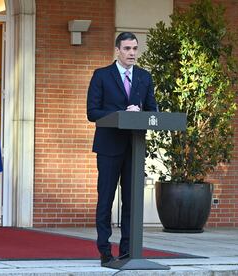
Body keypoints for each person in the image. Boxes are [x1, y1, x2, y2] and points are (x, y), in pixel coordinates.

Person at [86, 32, 158, 266]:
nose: (132, 53)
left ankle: (127, 250)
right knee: (105, 199)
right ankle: (105, 252)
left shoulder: (144, 78)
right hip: (108, 147)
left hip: (134, 148)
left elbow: (153, 111)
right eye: (127, 49)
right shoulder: (101, 76)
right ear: (117, 50)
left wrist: (141, 115)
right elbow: (92, 112)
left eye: (135, 49)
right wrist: (121, 115)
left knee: (131, 201)